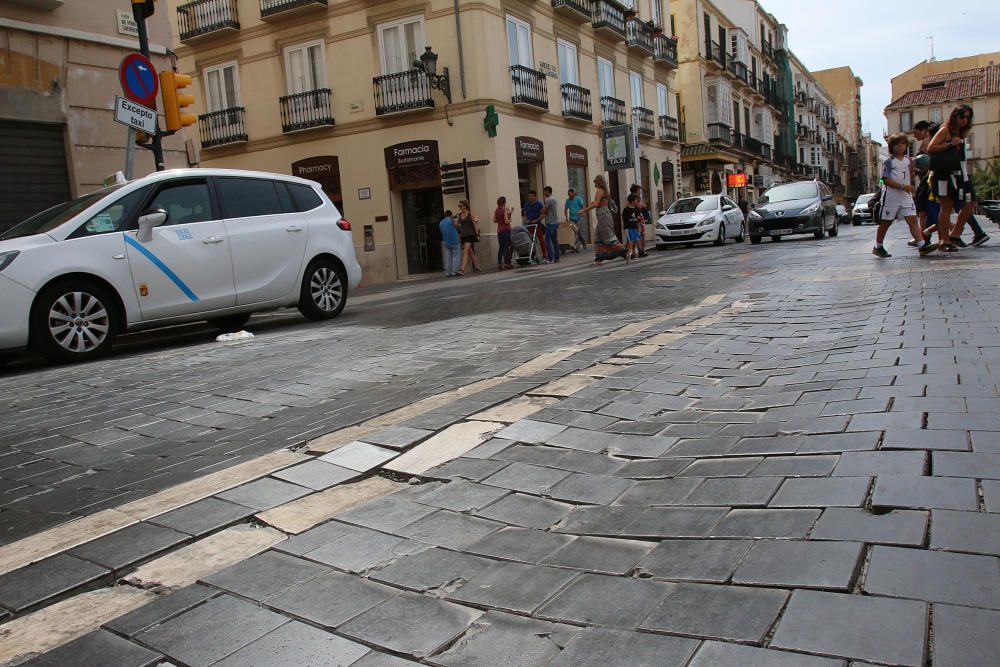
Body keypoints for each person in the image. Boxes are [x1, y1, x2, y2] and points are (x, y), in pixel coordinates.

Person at [872, 133, 937, 258]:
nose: (901, 146)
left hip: (905, 196)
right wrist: (903, 186)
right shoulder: (889, 162)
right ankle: (878, 246)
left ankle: (922, 245)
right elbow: (885, 180)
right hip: (891, 196)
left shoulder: (908, 160)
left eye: (903, 143)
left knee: (912, 219)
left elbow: (909, 175)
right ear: (892, 146)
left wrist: (913, 171)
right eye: (897, 144)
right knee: (886, 222)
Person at [926, 104, 979, 252]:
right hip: (944, 174)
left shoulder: (961, 132)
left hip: (960, 173)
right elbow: (931, 147)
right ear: (955, 116)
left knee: (970, 202)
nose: (965, 120)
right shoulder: (945, 130)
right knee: (946, 206)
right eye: (963, 116)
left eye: (968, 117)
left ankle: (955, 233)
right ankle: (945, 241)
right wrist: (950, 144)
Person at [578, 174, 625, 266]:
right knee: (598, 237)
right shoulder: (604, 191)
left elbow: (596, 204)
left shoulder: (599, 191)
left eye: (595, 181)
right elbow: (599, 203)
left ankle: (625, 251)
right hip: (604, 216)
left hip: (603, 216)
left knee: (609, 237)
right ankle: (599, 258)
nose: (594, 183)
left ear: (598, 182)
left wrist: (584, 210)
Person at [456, 200, 482, 274]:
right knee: (470, 253)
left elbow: (475, 225)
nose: (459, 207)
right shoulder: (459, 215)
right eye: (459, 206)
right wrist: (459, 237)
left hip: (470, 235)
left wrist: (477, 235)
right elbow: (458, 227)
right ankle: (477, 267)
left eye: (460, 206)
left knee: (466, 251)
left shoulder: (470, 214)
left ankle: (462, 269)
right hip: (463, 236)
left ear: (465, 206)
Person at [522, 190, 545, 261]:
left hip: (537, 224)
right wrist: (526, 220)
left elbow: (543, 215)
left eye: (532, 196)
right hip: (529, 225)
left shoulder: (539, 204)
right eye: (529, 196)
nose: (530, 197)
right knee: (530, 241)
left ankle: (545, 255)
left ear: (535, 197)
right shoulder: (526, 205)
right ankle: (532, 255)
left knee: (541, 240)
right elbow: (525, 214)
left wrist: (536, 220)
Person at [541, 186, 561, 263]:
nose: (544, 193)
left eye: (545, 192)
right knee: (555, 240)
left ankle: (551, 258)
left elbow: (543, 210)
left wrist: (544, 210)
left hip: (551, 223)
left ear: (548, 191)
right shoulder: (554, 199)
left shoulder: (549, 200)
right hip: (555, 222)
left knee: (547, 240)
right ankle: (557, 258)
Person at [629, 184, 649, 257]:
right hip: (637, 218)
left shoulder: (637, 198)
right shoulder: (632, 198)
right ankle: (636, 251)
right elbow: (633, 207)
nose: (640, 192)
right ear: (635, 191)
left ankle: (640, 250)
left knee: (640, 235)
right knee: (636, 236)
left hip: (640, 218)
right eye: (639, 191)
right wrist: (641, 206)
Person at [439, 210, 460, 277]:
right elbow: (457, 226)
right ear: (450, 215)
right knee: (455, 256)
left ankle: (448, 272)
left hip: (446, 242)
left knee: (448, 257)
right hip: (454, 241)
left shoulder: (441, 223)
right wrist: (457, 219)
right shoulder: (451, 221)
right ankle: (455, 271)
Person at [494, 196, 514, 270]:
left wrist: (510, 212)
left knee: (501, 247)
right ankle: (507, 263)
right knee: (507, 246)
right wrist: (510, 220)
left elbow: (494, 220)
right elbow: (506, 221)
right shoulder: (504, 210)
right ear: (504, 202)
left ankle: (499, 263)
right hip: (506, 230)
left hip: (499, 231)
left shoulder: (496, 210)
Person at [622, 193, 642, 262]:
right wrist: (624, 226)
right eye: (636, 200)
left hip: (635, 227)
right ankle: (629, 253)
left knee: (637, 239)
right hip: (629, 227)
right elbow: (623, 218)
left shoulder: (637, 209)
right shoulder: (626, 210)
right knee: (631, 240)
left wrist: (639, 226)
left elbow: (639, 219)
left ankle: (638, 251)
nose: (638, 202)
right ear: (632, 201)